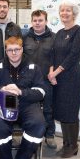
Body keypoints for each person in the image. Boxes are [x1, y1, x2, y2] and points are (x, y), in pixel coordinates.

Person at [0, 36, 46, 159]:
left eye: (17, 50)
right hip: (5, 104)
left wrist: (21, 92)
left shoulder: (33, 67)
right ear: (5, 52)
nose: (13, 53)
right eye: (10, 50)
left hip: (27, 104)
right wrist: (1, 89)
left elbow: (42, 92)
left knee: (38, 124)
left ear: (22, 50)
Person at [48, 1, 80, 158]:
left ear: (74, 14)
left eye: (68, 11)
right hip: (57, 78)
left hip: (70, 77)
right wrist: (51, 73)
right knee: (62, 110)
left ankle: (73, 145)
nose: (64, 13)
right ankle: (66, 143)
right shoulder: (59, 33)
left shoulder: (79, 31)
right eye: (62, 10)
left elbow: (73, 55)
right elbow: (52, 54)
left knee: (70, 110)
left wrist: (55, 73)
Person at [23, 10, 57, 149]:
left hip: (46, 80)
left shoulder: (54, 38)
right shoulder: (24, 38)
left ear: (46, 21)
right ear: (32, 22)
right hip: (28, 82)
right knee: (28, 109)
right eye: (35, 20)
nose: (37, 23)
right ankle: (30, 133)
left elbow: (57, 58)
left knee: (48, 108)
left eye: (40, 20)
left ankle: (49, 135)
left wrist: (53, 72)